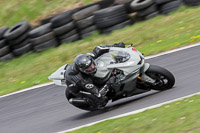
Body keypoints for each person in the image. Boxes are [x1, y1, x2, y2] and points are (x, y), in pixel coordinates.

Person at [65, 42, 126, 109]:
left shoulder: (87, 58)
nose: (92, 67)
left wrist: (116, 46)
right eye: (89, 68)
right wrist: (109, 83)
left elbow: (99, 48)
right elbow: (98, 93)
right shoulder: (84, 80)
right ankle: (92, 103)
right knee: (102, 100)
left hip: (78, 74)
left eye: (92, 65)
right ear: (83, 70)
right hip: (76, 86)